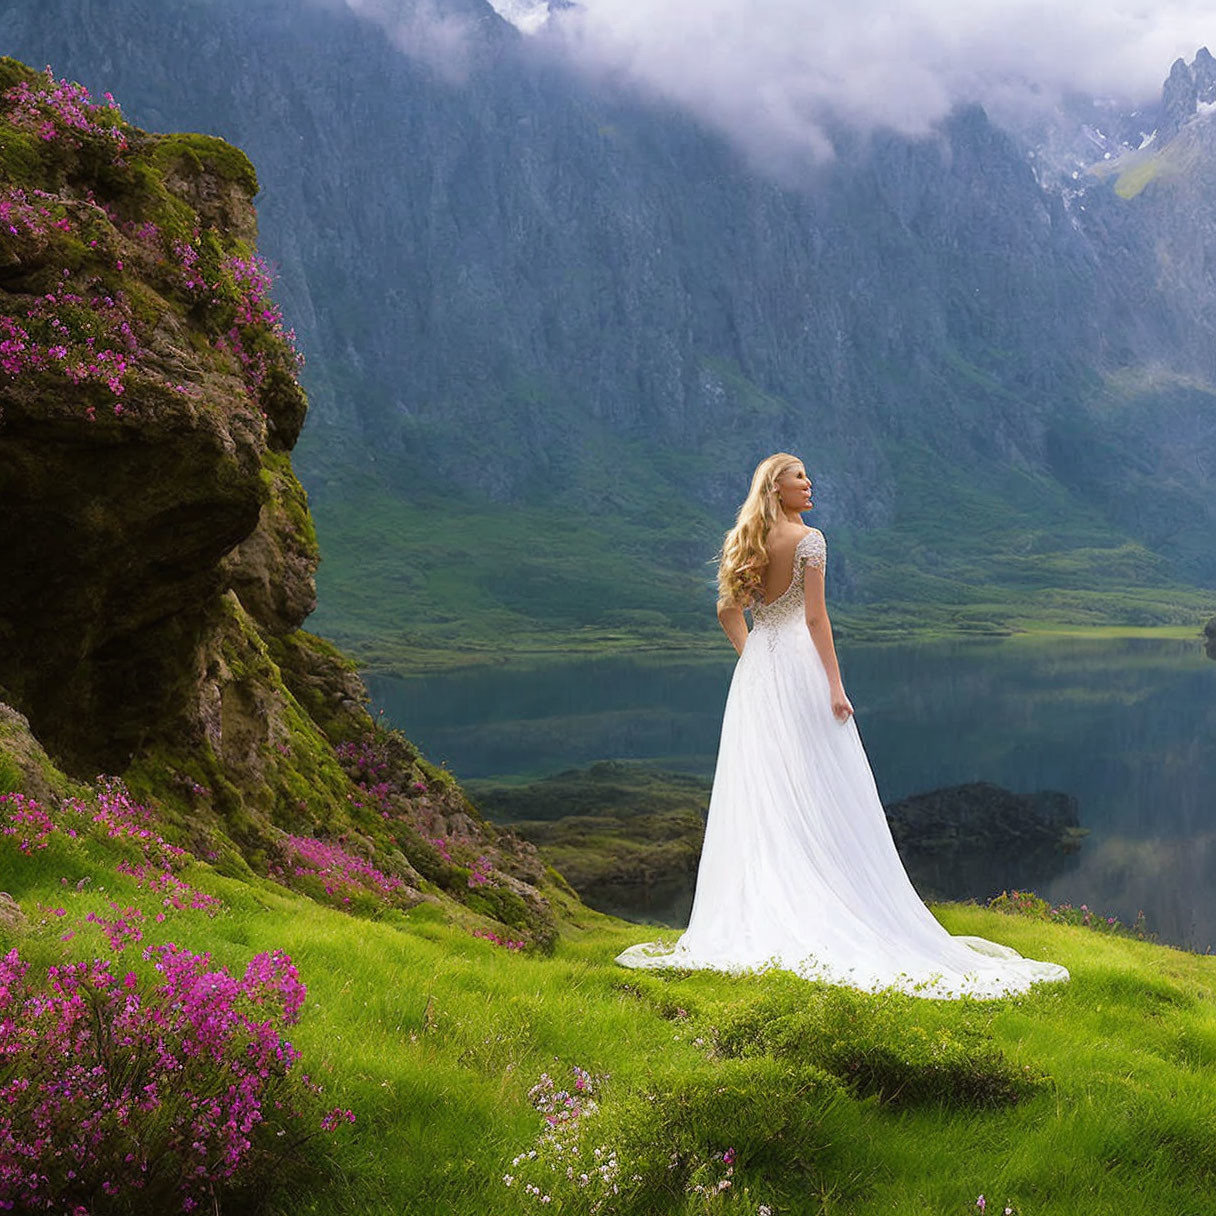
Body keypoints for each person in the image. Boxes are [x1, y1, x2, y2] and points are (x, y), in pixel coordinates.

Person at [615, 453, 1070, 999]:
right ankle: (828, 895)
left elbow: (726, 612)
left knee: (765, 792)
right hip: (801, 671)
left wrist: (753, 657)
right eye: (799, 476)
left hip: (758, 676)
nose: (810, 484)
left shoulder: (750, 539)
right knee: (820, 783)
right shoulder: (810, 540)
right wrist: (834, 685)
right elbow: (814, 618)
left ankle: (769, 905)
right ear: (777, 487)